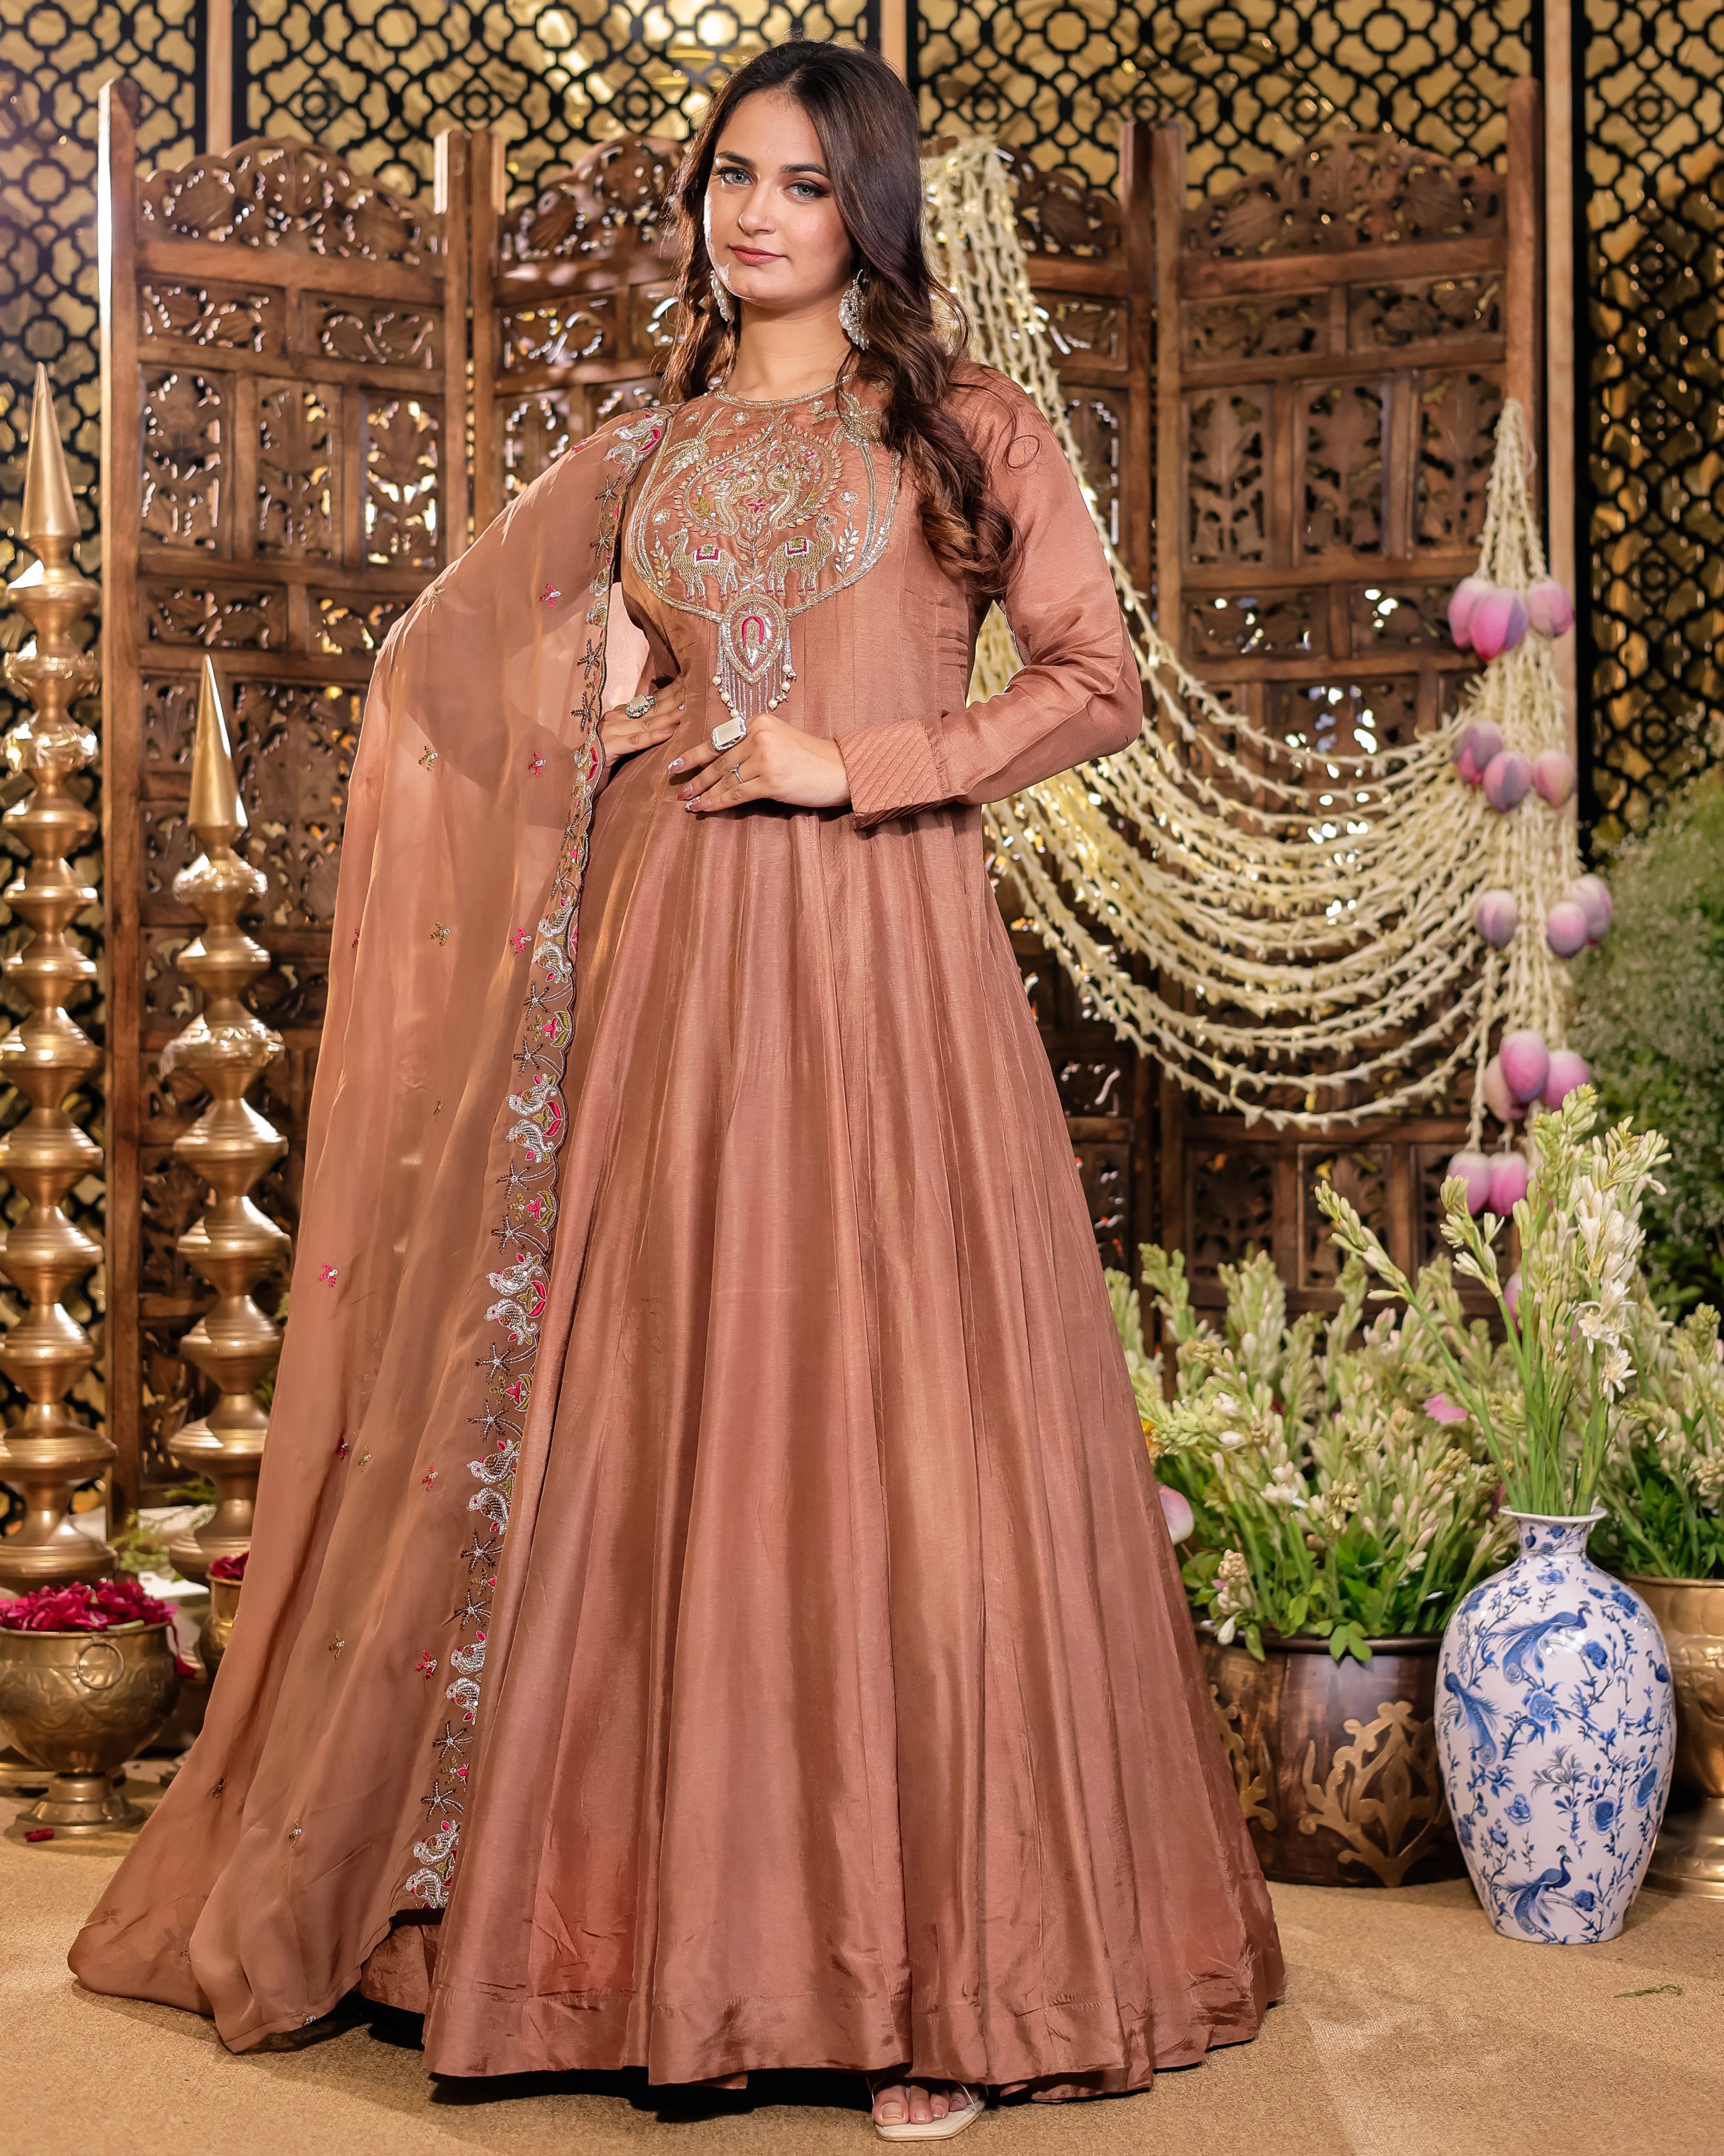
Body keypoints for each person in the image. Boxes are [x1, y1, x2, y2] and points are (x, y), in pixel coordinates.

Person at [72, 41, 1281, 2142]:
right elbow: (447, 677)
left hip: (886, 985)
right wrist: (595, 702)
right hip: (655, 983)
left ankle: (948, 1977)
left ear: (865, 215)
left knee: (898, 1431)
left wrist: (864, 766)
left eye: (806, 185)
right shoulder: (639, 450)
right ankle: (635, 1946)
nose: (757, 215)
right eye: (733, 175)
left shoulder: (962, 428)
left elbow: (1093, 681)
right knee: (646, 1420)